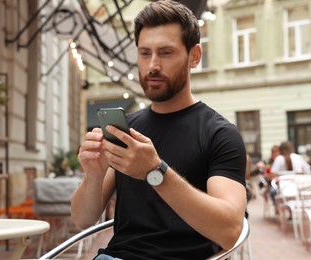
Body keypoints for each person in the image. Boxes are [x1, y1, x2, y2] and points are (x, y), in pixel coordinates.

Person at [72, 1, 247, 259]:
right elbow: (81, 220)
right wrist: (93, 176)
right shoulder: (126, 130)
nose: (153, 65)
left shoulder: (219, 134)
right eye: (145, 53)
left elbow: (230, 230)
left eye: (165, 53)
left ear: (194, 56)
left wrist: (156, 172)